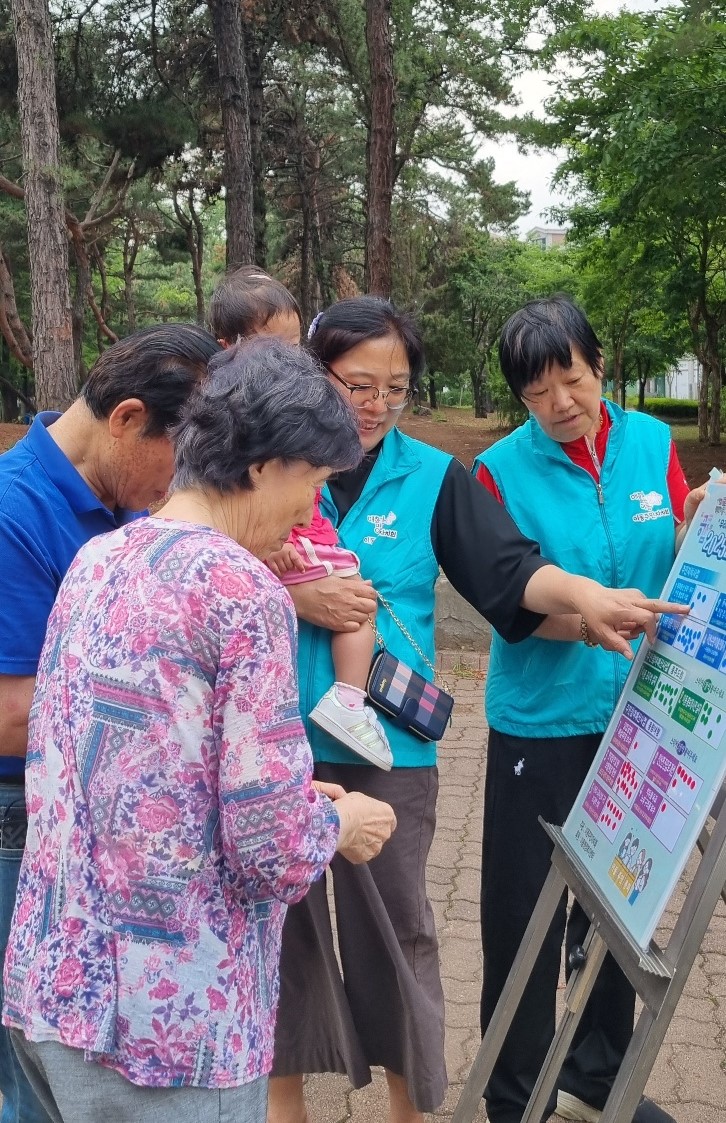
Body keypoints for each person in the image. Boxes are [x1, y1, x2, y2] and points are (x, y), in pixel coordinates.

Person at [267, 296, 686, 1123]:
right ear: (316, 377)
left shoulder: (436, 476)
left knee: (403, 937)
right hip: (277, 736)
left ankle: (423, 1108)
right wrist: (302, 598)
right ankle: (293, 1107)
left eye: (395, 384)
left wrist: (589, 599)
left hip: (394, 745)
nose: (377, 402)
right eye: (358, 383)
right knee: (286, 940)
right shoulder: (266, 466)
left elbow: (509, 572)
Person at [2, 339, 397, 1123]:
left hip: (55, 992)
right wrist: (342, 819)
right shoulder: (242, 591)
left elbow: (110, 756)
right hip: (173, 1030)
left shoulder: (101, 557)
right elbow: (273, 850)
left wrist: (278, 793)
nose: (308, 511)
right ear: (264, 465)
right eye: (313, 481)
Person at [472, 295, 694, 1123]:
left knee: (618, 907)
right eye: (539, 391)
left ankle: (597, 1078)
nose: (562, 402)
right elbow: (511, 604)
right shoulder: (498, 470)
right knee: (525, 914)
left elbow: (674, 556)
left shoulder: (653, 442)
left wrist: (700, 527)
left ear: (599, 364)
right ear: (519, 398)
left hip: (637, 721)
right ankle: (514, 1090)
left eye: (573, 376)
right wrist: (589, 623)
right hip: (540, 721)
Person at [0, 322, 221, 1123]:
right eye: (184, 459)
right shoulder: (14, 512)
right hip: (20, 831)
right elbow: (9, 712)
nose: (184, 486)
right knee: (42, 1080)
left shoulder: (126, 501)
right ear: (128, 418)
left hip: (92, 831)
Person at [210, 267, 392, 768]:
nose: (290, 362)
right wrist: (276, 562)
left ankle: (342, 701)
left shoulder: (286, 405)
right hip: (274, 552)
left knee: (355, 597)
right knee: (355, 601)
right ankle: (347, 701)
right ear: (228, 346)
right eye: (275, 348)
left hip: (292, 545)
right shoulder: (232, 418)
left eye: (296, 348)